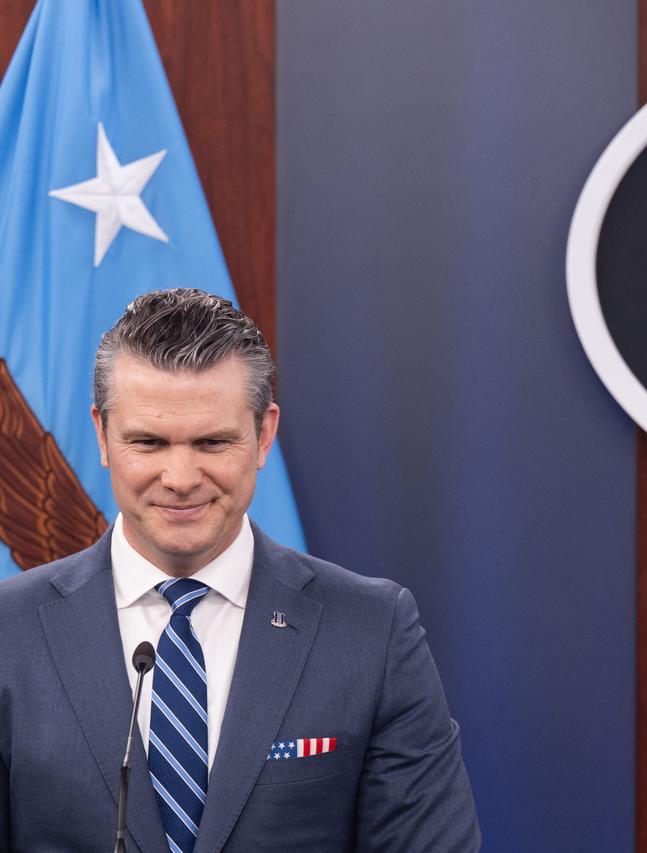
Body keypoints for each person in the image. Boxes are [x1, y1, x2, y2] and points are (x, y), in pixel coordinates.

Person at [0, 289, 480, 852]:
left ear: (263, 435)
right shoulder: (11, 631)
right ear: (103, 435)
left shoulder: (372, 632)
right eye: (148, 442)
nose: (180, 477)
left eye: (212, 442)